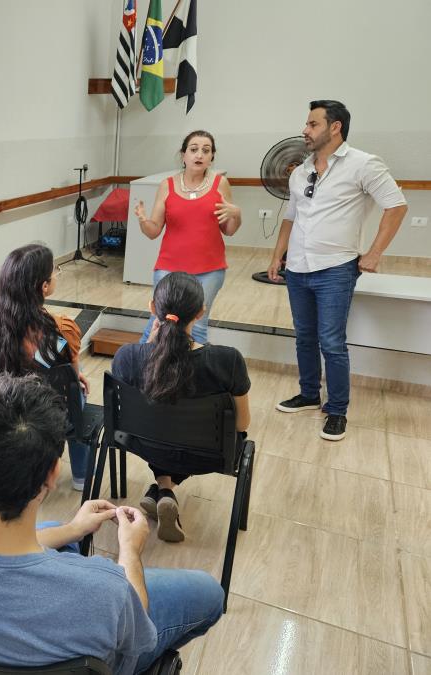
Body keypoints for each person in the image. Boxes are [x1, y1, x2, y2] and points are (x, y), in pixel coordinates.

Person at [0, 373, 224, 674]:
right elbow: (137, 618)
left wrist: (74, 529)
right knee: (210, 594)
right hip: (106, 656)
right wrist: (130, 550)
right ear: (52, 474)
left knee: (64, 537)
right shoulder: (105, 589)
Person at [268, 101, 407, 441]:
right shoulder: (301, 170)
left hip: (335, 268)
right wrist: (277, 256)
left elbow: (397, 205)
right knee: (304, 337)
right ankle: (309, 393)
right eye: (306, 123)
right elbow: (291, 217)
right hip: (298, 267)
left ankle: (337, 409)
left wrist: (374, 253)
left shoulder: (364, 164)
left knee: (331, 342)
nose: (305, 129)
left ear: (335, 128)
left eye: (312, 123)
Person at [112, 272, 251, 543]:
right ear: (201, 312)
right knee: (180, 434)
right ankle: (164, 490)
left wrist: (148, 347)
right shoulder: (227, 361)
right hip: (208, 454)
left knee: (164, 425)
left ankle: (163, 488)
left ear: (153, 308)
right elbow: (242, 425)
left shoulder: (126, 357)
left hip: (144, 443)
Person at [0, 243, 90, 490]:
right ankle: (81, 477)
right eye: (54, 272)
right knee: (77, 396)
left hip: (3, 405)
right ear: (44, 287)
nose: (56, 275)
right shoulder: (61, 328)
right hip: (45, 412)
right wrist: (75, 376)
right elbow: (68, 376)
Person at [134, 130, 242, 345]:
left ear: (212, 156)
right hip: (169, 267)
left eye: (206, 150)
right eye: (193, 150)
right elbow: (153, 231)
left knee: (198, 327)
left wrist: (236, 214)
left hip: (209, 269)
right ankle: (141, 371)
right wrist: (143, 220)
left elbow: (229, 229)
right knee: (156, 323)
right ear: (183, 155)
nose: (199, 155)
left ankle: (192, 377)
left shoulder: (220, 184)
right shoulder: (168, 185)